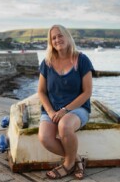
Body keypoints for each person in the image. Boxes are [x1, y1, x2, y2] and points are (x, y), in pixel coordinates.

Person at [38, 24, 94, 180]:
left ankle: (68, 165)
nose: (57, 40)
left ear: (68, 37)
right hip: (51, 110)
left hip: (77, 109)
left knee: (64, 126)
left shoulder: (81, 59)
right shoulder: (47, 62)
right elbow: (41, 91)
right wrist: (50, 112)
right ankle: (77, 160)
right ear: (51, 42)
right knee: (45, 138)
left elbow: (87, 92)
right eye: (53, 37)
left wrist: (65, 110)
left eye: (60, 35)